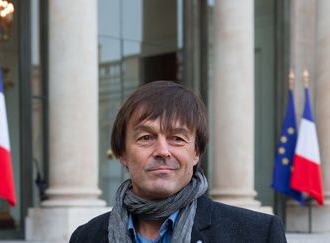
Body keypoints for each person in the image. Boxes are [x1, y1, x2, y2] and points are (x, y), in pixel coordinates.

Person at [70, 81, 287, 243]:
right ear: (122, 153)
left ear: (196, 153)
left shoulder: (258, 234)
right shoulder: (85, 237)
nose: (163, 151)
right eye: (146, 138)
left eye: (177, 139)